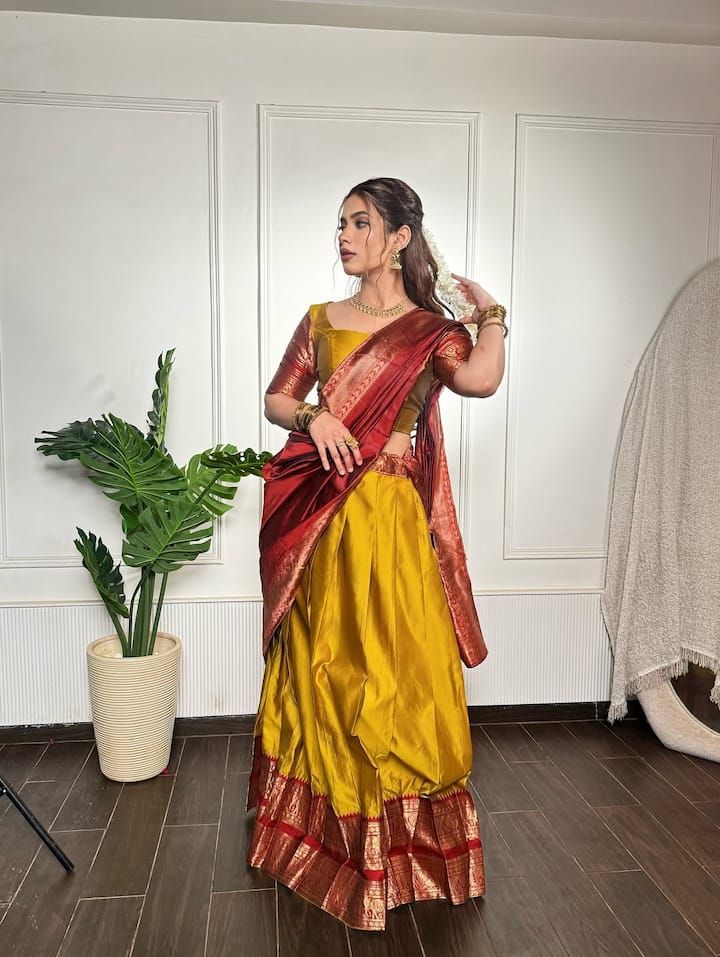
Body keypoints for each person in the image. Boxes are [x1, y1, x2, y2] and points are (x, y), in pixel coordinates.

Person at [247, 177, 506, 931]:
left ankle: (408, 851)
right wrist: (316, 415)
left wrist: (490, 316)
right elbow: (277, 397)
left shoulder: (430, 329)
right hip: (328, 521)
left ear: (399, 238)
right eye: (340, 223)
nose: (344, 235)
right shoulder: (321, 320)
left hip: (392, 521)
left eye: (360, 223)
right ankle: (328, 839)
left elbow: (482, 379)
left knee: (403, 675)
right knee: (331, 670)